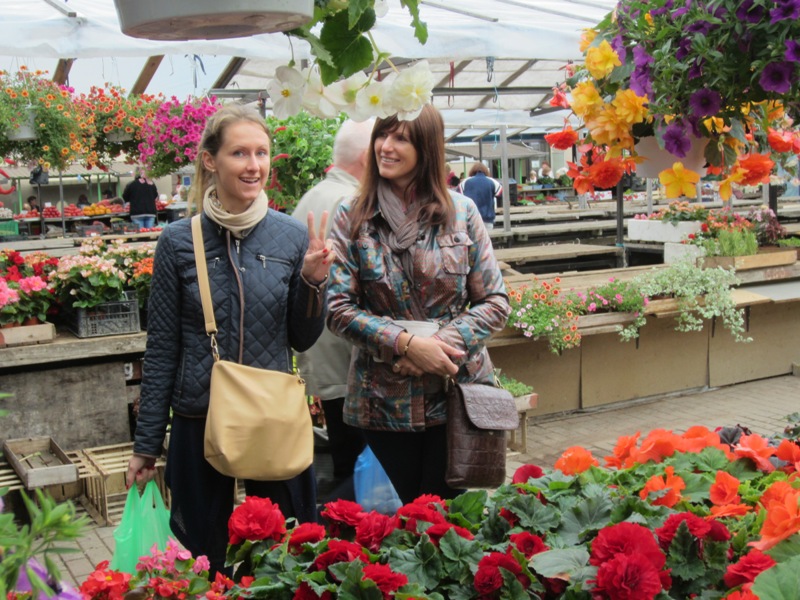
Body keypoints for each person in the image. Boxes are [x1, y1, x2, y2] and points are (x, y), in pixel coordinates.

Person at [126, 104, 331, 576]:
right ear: (210, 161)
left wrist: (313, 283)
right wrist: (146, 444)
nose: (253, 165)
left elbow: (302, 339)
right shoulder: (179, 241)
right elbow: (161, 348)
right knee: (202, 553)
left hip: (272, 416)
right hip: (199, 416)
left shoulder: (291, 236)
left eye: (261, 153)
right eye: (239, 152)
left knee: (285, 551)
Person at [326, 104, 511, 504]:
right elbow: (338, 310)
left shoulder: (460, 213)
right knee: (411, 518)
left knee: (452, 518)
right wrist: (406, 345)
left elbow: (495, 301)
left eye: (401, 138)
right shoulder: (352, 216)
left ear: (426, 147)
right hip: (383, 402)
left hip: (457, 395)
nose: (385, 147)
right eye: (382, 135)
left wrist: (437, 346)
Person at [291, 118, 374, 502]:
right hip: (349, 360)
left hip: (323, 356)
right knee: (359, 468)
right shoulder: (353, 203)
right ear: (366, 156)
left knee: (346, 457)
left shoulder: (312, 197)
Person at [459, 162, 501, 230]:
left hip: (470, 219)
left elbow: (458, 196)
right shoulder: (493, 182)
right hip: (487, 219)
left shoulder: (465, 182)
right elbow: (500, 194)